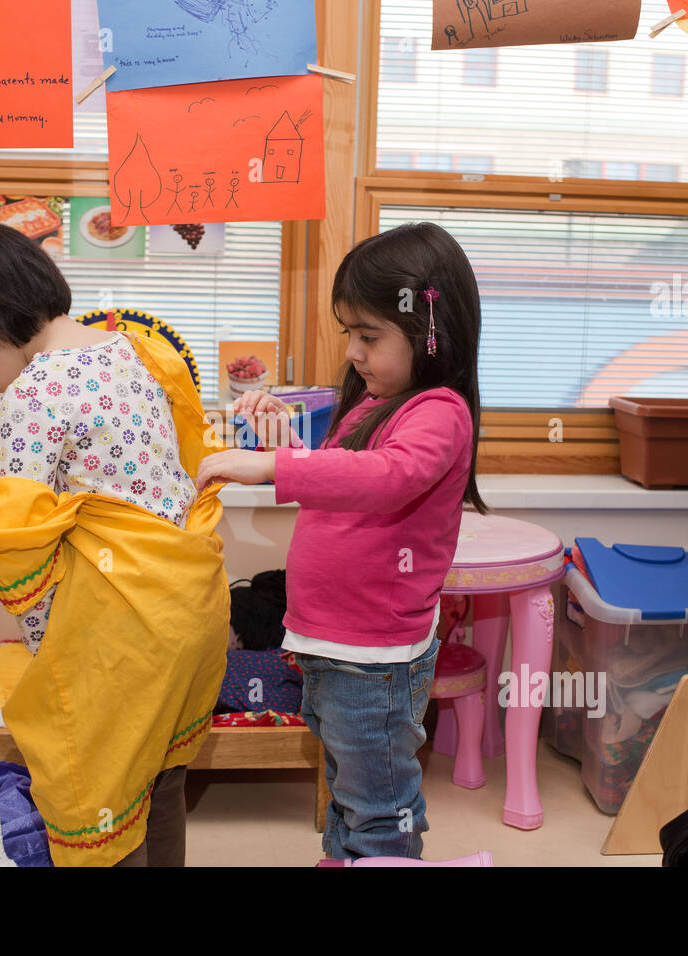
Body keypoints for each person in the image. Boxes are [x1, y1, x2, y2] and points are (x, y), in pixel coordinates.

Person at [0, 221, 228, 866]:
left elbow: (21, 532)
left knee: (98, 798)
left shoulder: (34, 392)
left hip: (117, 630)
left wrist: (45, 649)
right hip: (184, 608)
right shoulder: (129, 350)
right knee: (158, 782)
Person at [196, 221, 487, 860]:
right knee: (346, 786)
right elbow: (340, 481)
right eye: (348, 333)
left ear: (429, 334)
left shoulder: (439, 411)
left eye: (369, 336)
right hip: (329, 640)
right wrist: (285, 445)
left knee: (379, 804)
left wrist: (275, 467)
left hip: (374, 655)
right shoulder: (374, 402)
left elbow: (385, 479)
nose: (353, 351)